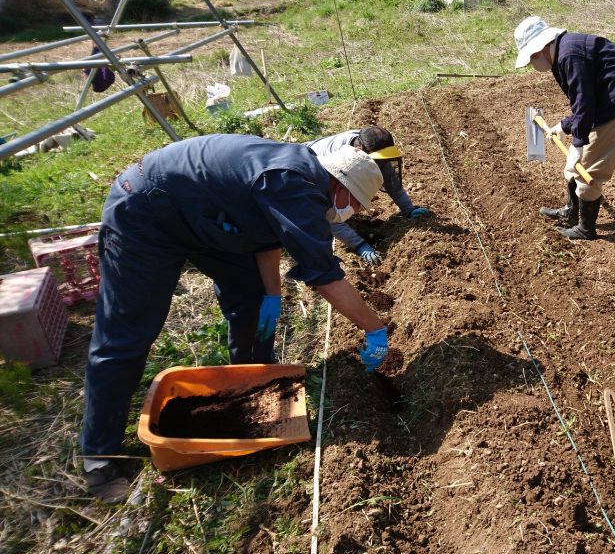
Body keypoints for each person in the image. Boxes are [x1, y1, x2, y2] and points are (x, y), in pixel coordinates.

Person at [81, 134, 390, 503]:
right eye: (355, 204)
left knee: (252, 296)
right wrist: (374, 328)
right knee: (126, 333)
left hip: (205, 216)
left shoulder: (303, 177)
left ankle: (251, 384)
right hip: (145, 212)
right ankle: (98, 456)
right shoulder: (294, 185)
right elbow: (324, 274)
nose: (351, 212)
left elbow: (268, 236)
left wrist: (272, 294)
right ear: (344, 189)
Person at [513, 16, 615, 240]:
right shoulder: (565, 52)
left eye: (531, 58)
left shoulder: (569, 55)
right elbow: (584, 102)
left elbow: (585, 104)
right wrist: (565, 126)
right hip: (610, 102)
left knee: (588, 168)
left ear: (540, 48)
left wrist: (577, 146)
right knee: (574, 166)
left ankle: (586, 228)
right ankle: (572, 212)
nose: (533, 64)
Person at [304, 126, 429, 266]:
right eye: (378, 162)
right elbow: (328, 216)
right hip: (306, 169)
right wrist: (359, 245)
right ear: (361, 151)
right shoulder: (337, 162)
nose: (381, 165)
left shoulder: (373, 148)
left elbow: (390, 179)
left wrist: (408, 208)